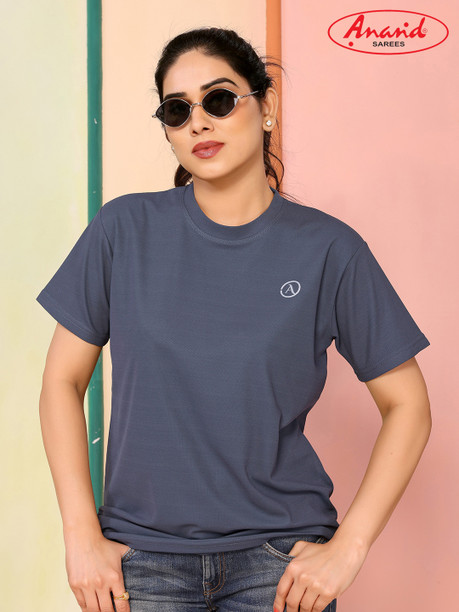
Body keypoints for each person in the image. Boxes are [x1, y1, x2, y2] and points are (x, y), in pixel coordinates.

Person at [37, 26, 431, 612]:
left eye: (219, 99)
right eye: (177, 110)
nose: (198, 123)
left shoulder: (328, 249)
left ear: (266, 106)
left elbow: (409, 405)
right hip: (141, 563)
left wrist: (350, 547)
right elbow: (61, 383)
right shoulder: (123, 230)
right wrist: (79, 536)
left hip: (280, 566)